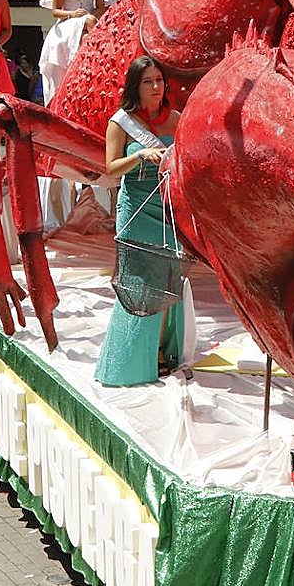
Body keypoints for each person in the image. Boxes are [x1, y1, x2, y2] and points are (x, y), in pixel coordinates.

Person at [95, 56, 185, 387]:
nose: (156, 87)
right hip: (136, 209)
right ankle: (128, 365)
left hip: (168, 209)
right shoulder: (121, 123)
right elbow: (110, 168)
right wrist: (137, 156)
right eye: (148, 81)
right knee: (138, 286)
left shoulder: (175, 119)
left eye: (159, 80)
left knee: (167, 282)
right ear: (135, 86)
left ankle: (160, 352)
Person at [40, 0, 104, 103]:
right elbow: (55, 11)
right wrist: (73, 14)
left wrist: (90, 16)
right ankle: (101, 53)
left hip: (89, 21)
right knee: (90, 20)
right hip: (69, 21)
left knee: (88, 30)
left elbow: (101, 7)